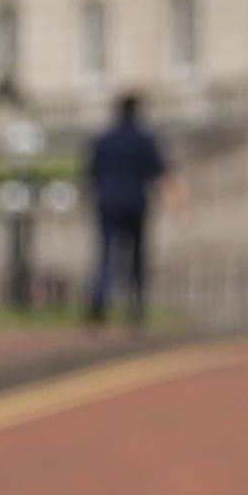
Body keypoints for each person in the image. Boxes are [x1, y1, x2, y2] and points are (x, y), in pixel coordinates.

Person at [80, 90, 174, 330]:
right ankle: (135, 308)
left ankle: (99, 304)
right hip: (134, 201)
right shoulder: (144, 139)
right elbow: (159, 173)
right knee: (136, 257)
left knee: (105, 256)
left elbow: (90, 173)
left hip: (107, 202)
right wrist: (177, 203)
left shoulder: (103, 139)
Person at [0, 80, 52, 314]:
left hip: (23, 196)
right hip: (17, 198)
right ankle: (18, 294)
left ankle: (23, 293)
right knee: (17, 248)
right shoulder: (16, 129)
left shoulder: (21, 130)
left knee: (23, 247)